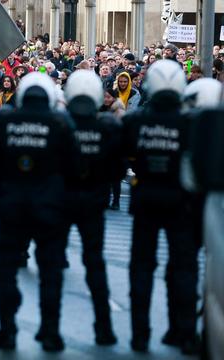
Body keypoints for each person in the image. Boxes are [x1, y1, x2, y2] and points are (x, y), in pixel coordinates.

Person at [0, 72, 79, 352]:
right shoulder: (60, 122)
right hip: (49, 205)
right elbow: (75, 167)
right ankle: (50, 331)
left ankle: (7, 330)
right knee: (50, 271)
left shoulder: (5, 120)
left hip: (11, 203)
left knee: (6, 268)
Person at [122, 60, 199, 354]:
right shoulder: (190, 122)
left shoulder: (135, 121)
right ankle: (185, 332)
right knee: (183, 267)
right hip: (181, 201)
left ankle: (140, 335)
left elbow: (120, 156)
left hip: (145, 199)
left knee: (141, 266)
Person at [63, 70, 125, 346]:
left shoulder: (60, 125)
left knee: (52, 265)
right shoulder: (108, 127)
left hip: (62, 200)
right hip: (94, 202)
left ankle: (50, 329)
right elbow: (119, 167)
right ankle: (105, 328)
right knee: (95, 264)